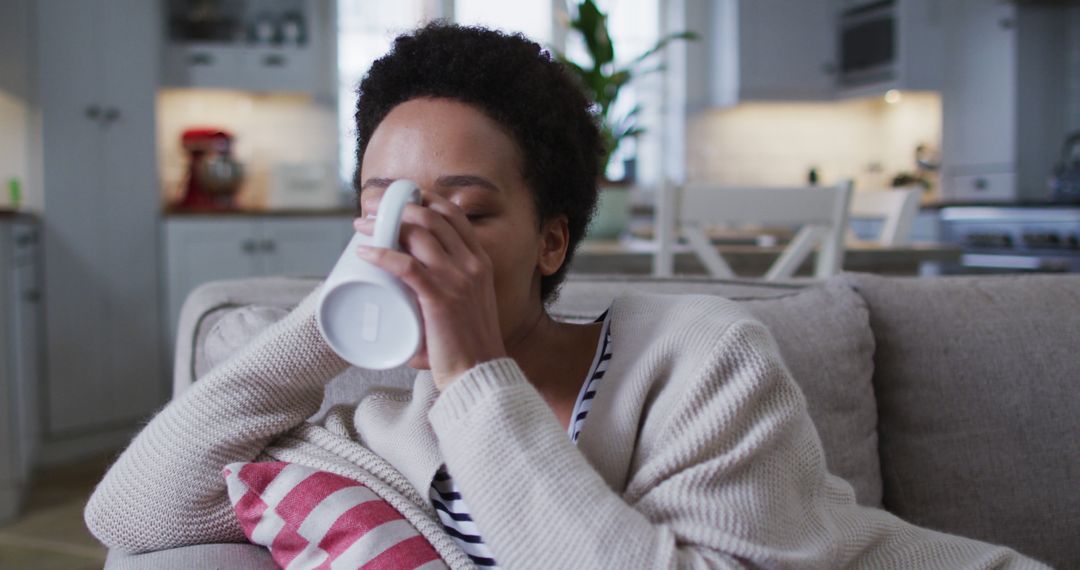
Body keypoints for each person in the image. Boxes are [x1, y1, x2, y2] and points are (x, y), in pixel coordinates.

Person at [86, 22, 1047, 569]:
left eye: (465, 211)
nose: (422, 242)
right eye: (384, 209)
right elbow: (126, 519)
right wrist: (330, 311)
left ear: (551, 242)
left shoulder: (700, 357)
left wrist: (472, 366)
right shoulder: (380, 427)